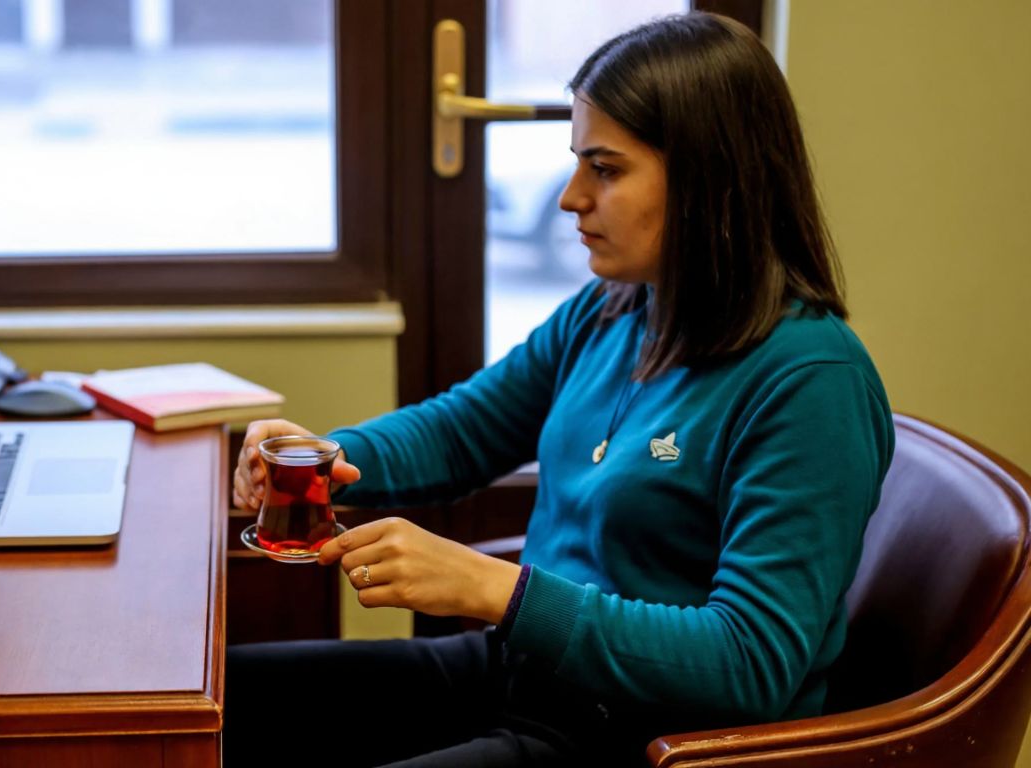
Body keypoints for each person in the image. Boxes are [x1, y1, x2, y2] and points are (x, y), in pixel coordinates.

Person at [226, 12, 894, 767]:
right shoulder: (616, 309)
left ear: (713, 180)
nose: (571, 197)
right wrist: (332, 456)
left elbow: (750, 663)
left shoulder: (810, 383)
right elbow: (461, 431)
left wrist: (498, 591)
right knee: (213, 702)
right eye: (577, 163)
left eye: (604, 170)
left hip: (638, 739)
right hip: (524, 678)